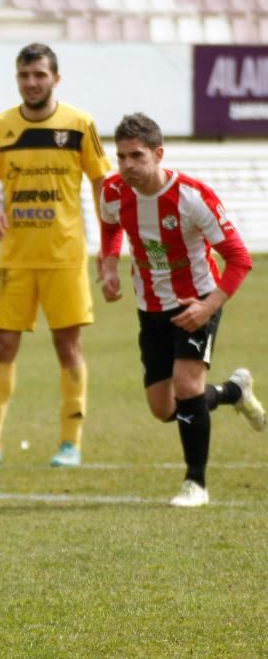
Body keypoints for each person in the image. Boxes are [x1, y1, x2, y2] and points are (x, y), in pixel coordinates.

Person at [98, 113, 264, 507]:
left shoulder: (193, 197)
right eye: (121, 157)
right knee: (164, 407)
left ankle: (196, 484)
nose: (128, 166)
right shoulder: (113, 191)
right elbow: (109, 225)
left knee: (187, 387)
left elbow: (239, 259)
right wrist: (108, 264)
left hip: (196, 301)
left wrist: (209, 306)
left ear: (158, 154)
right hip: (149, 306)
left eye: (137, 156)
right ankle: (233, 391)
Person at [0, 43, 111, 469]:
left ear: (55, 79)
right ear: (17, 79)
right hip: (14, 258)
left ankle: (70, 443)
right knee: (2, 345)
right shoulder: (0, 126)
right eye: (25, 76)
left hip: (65, 255)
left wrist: (107, 246)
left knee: (68, 345)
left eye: (40, 75)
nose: (32, 83)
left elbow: (103, 183)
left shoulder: (80, 125)